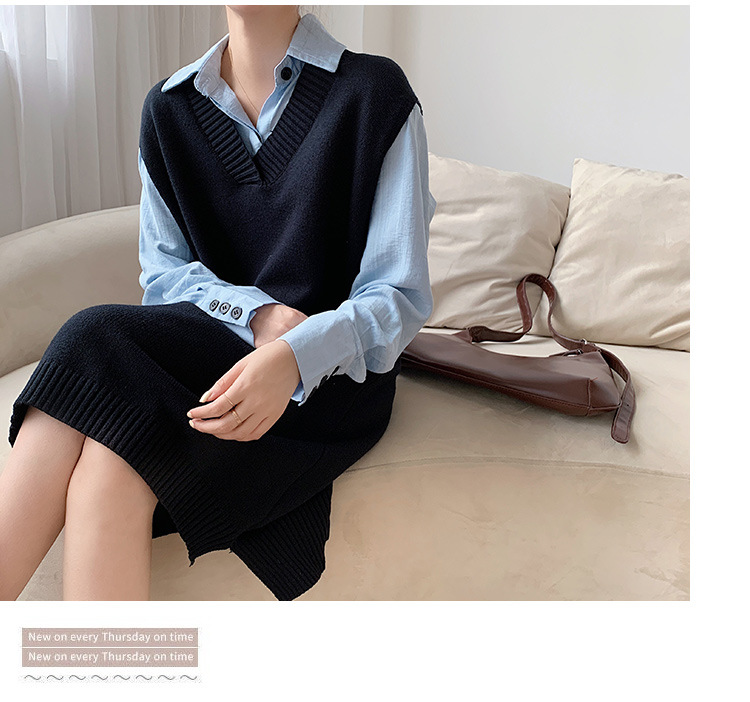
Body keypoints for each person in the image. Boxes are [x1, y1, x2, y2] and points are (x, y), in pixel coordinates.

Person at [1, 5, 436, 601]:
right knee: (111, 461)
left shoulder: (374, 93)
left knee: (90, 336)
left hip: (332, 383)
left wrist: (294, 356)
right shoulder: (169, 109)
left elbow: (397, 295)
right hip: (212, 362)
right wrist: (258, 317)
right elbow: (165, 279)